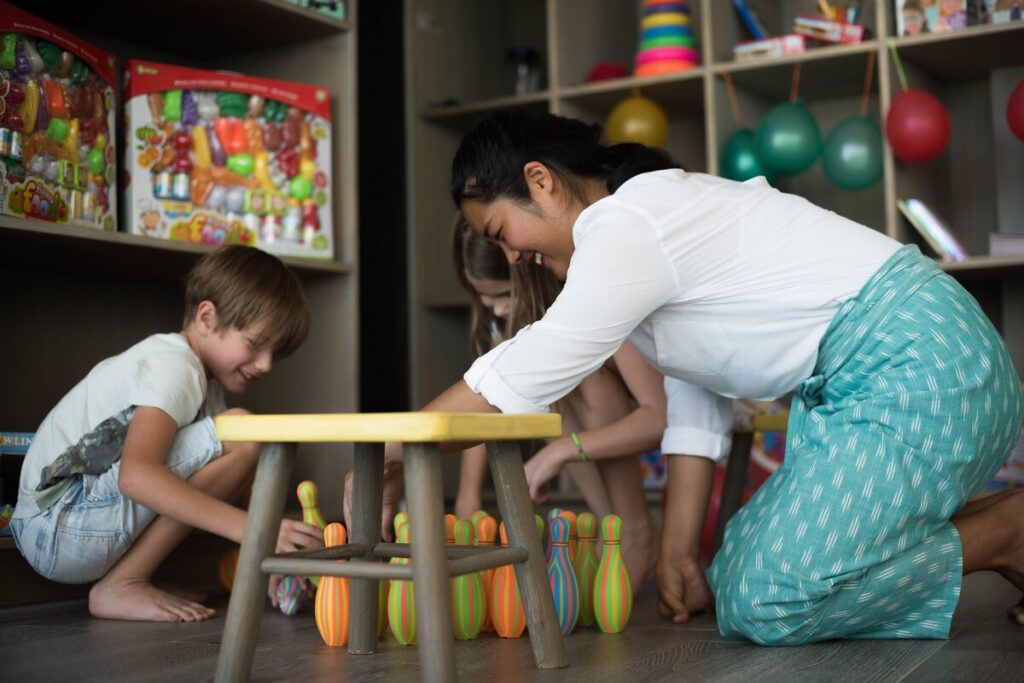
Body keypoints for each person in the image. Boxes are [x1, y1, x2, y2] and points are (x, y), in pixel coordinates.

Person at [349, 107, 1024, 644]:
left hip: (922, 364)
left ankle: (1009, 531)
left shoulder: (625, 226)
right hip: (886, 376)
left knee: (769, 597)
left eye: (501, 230)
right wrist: (677, 551)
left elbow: (522, 370)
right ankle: (994, 521)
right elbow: (697, 397)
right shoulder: (642, 230)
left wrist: (384, 454)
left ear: (541, 181)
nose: (513, 256)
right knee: (734, 577)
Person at [10, 245, 324, 622]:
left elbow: (231, 486)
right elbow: (137, 476)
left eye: (277, 352)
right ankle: (124, 582)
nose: (266, 364)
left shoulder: (205, 385)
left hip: (63, 530)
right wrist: (259, 531)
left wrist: (270, 555)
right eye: (256, 344)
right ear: (206, 317)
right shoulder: (175, 365)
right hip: (60, 526)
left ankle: (131, 578)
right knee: (243, 435)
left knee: (237, 447)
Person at [453, 216, 666, 590]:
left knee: (577, 379)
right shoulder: (504, 321)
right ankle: (611, 527)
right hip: (611, 417)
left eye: (503, 296)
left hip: (679, 410)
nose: (496, 310)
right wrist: (468, 496)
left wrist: (560, 452)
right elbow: (485, 395)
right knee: (530, 379)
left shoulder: (600, 306)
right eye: (482, 297)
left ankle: (632, 529)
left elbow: (659, 418)